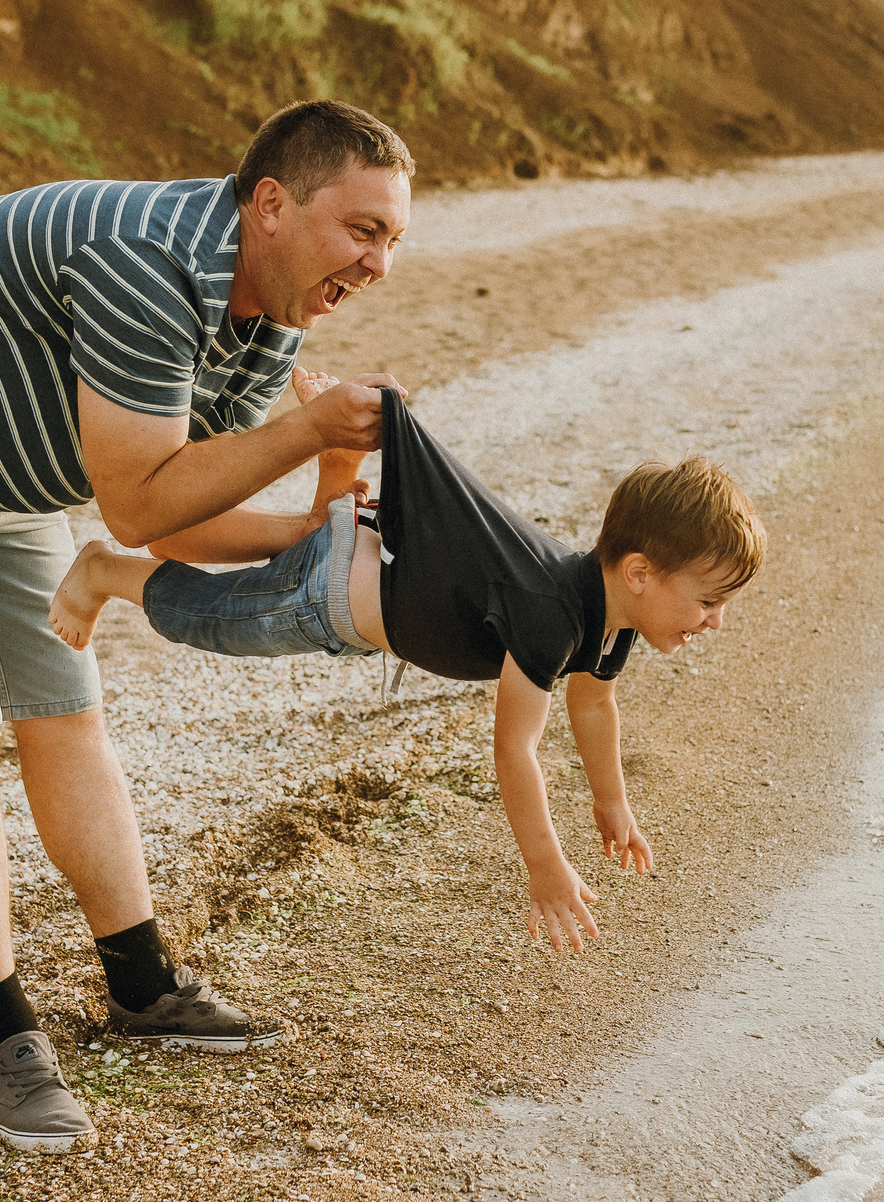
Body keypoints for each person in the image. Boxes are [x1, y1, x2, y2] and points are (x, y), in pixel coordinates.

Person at [0, 101, 414, 1155]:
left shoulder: (266, 317)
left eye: (392, 239)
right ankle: (1, 1036)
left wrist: (311, 521)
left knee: (63, 702)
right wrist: (308, 432)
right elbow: (139, 508)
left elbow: (188, 501)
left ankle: (141, 985)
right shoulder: (144, 265)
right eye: (363, 230)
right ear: (274, 204)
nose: (379, 263)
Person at [49, 387, 766, 948]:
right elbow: (514, 749)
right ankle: (105, 570)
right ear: (640, 571)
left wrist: (611, 802)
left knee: (247, 581)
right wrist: (544, 864)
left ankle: (336, 484)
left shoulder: (609, 619)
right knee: (202, 614)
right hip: (327, 595)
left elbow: (593, 705)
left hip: (360, 570)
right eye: (707, 600)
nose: (715, 620)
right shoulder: (554, 616)